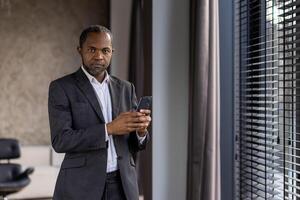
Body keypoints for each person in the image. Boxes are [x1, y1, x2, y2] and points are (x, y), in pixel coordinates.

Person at [48, 25, 151, 200]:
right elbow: (61, 141)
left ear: (112, 52)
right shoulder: (62, 88)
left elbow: (133, 145)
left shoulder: (126, 88)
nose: (99, 56)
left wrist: (141, 132)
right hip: (81, 186)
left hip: (122, 185)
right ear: (80, 50)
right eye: (92, 49)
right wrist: (108, 128)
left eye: (105, 50)